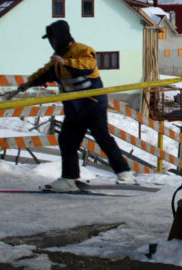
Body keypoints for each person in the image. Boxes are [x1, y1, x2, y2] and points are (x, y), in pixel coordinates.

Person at [19, 20, 135, 191]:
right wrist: (27, 84)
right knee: (67, 140)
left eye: (53, 38)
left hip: (93, 105)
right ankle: (69, 178)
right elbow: (44, 73)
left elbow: (89, 65)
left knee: (103, 138)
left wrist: (66, 62)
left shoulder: (82, 50)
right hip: (75, 109)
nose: (52, 42)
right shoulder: (56, 61)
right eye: (50, 40)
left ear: (61, 37)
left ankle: (125, 174)